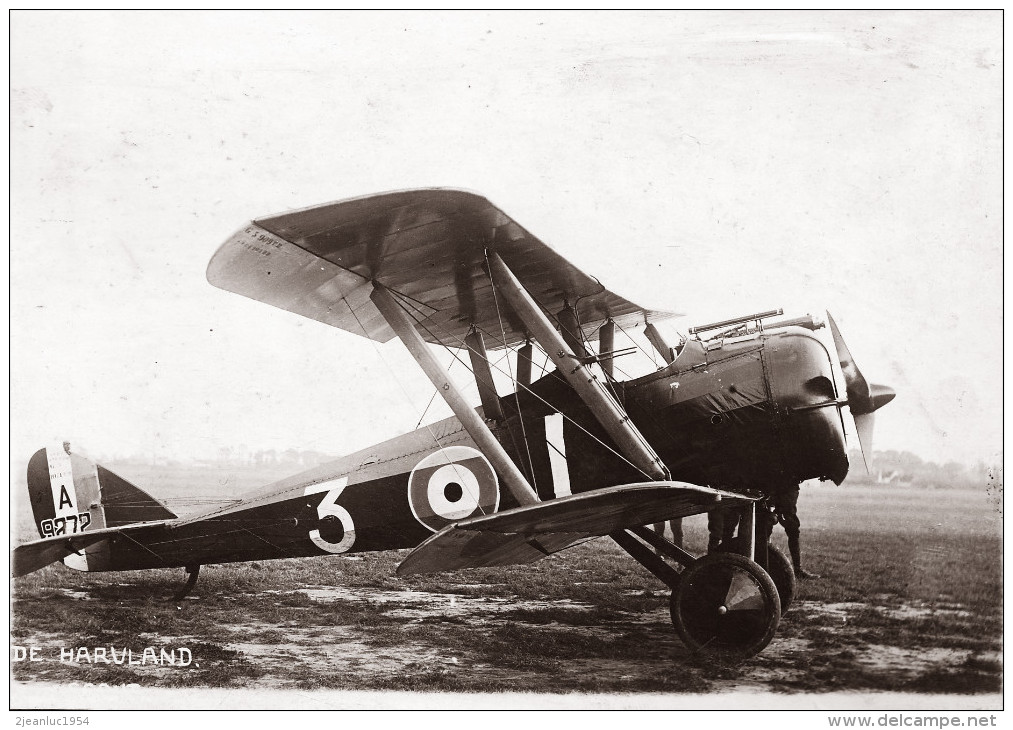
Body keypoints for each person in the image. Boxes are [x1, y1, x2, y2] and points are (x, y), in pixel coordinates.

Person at [770, 483, 819, 580]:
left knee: (792, 529)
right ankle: (763, 567)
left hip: (783, 488)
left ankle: (797, 569)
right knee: (765, 527)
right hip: (781, 487)